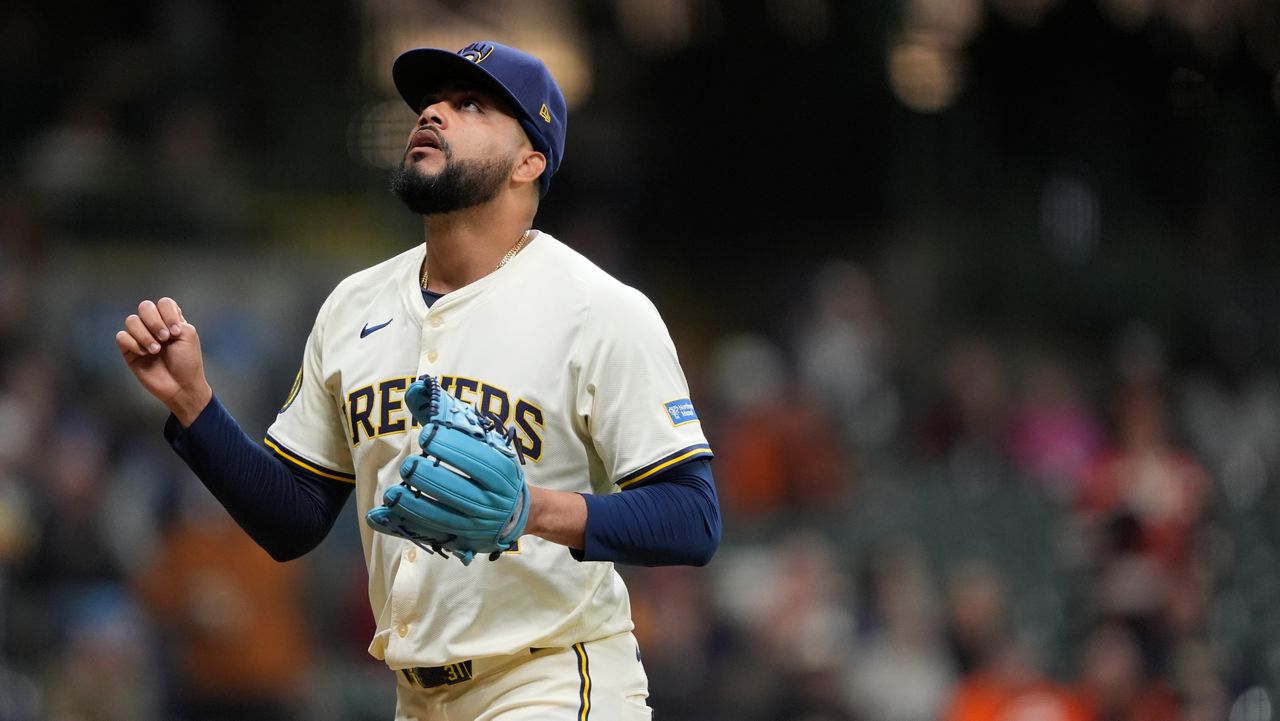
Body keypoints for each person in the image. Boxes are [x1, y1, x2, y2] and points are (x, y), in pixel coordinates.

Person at [115, 40, 721, 720]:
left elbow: (693, 517)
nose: (432, 113)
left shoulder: (600, 310)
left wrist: (531, 511)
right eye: (430, 101)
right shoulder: (354, 305)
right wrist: (193, 402)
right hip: (417, 698)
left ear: (529, 161)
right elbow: (293, 518)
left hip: (551, 679)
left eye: (470, 104)